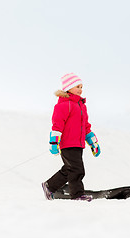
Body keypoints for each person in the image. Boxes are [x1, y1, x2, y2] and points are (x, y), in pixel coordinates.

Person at [42, 73, 101, 201]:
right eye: (77, 86)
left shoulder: (81, 106)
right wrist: (54, 142)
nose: (80, 89)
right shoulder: (64, 104)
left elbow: (86, 127)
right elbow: (57, 124)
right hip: (68, 143)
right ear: (68, 88)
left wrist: (93, 143)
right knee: (77, 170)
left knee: (70, 169)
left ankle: (49, 186)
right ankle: (77, 195)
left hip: (78, 144)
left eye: (81, 87)